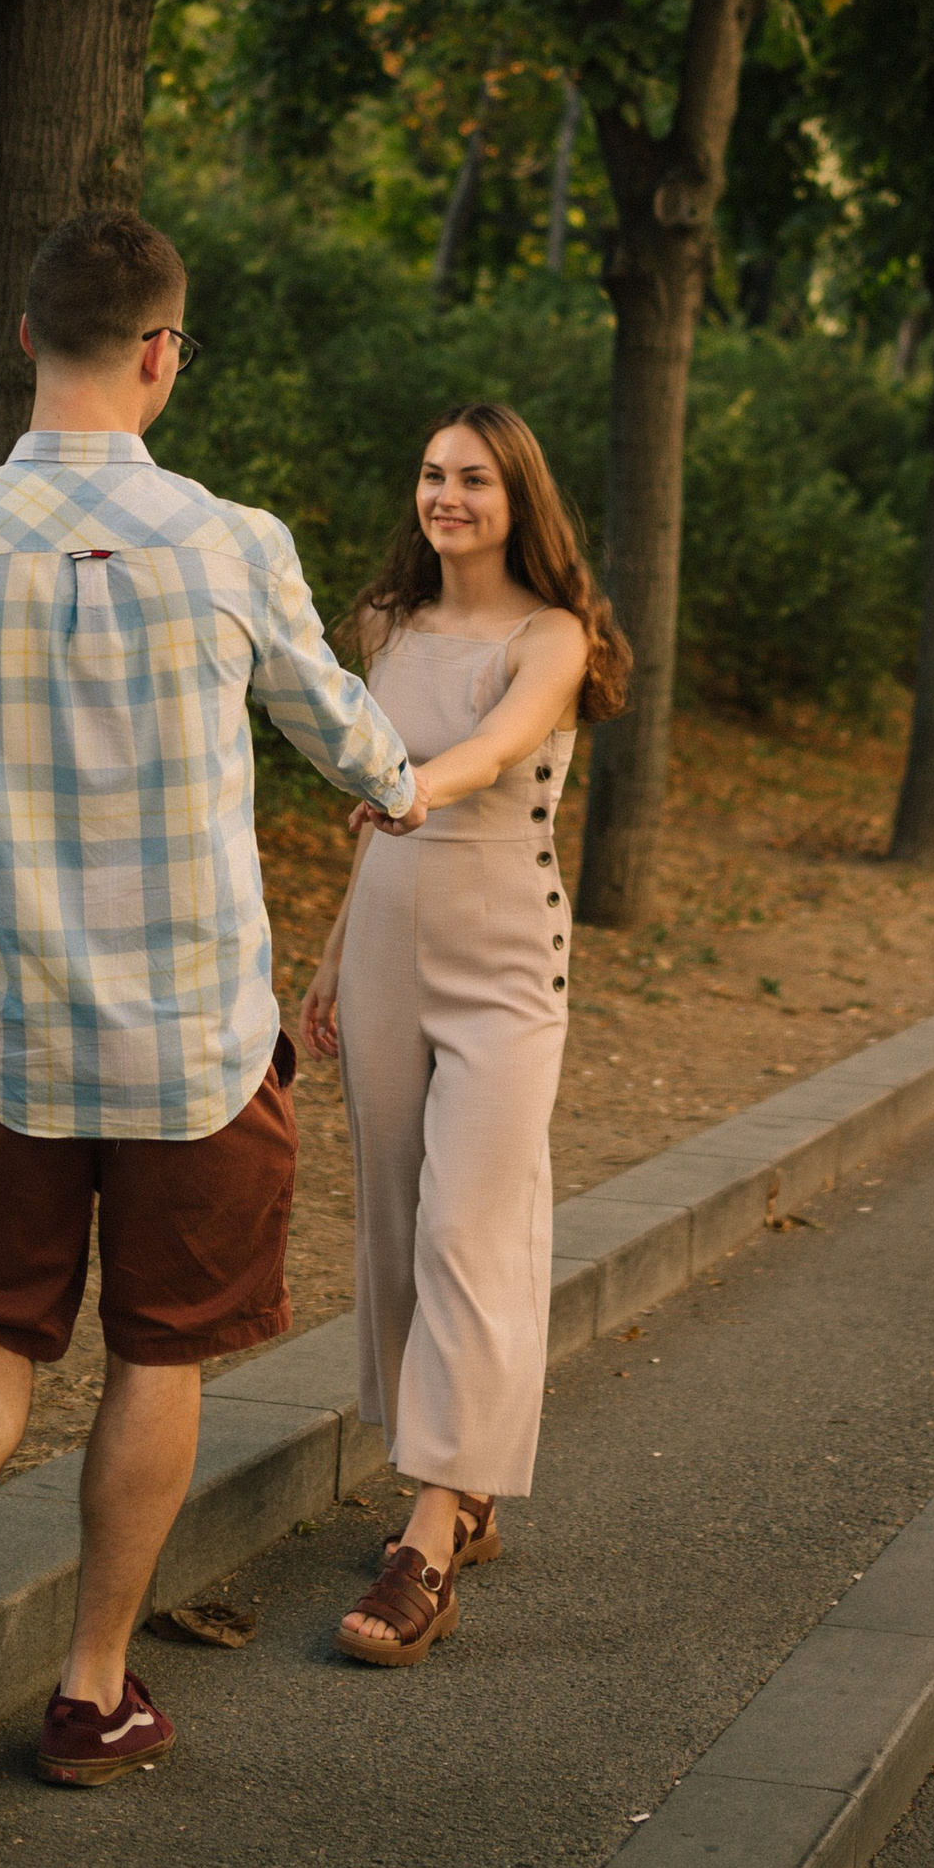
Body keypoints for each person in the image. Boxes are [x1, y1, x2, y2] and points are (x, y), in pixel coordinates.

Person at [0, 209, 421, 1792]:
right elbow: (347, 740)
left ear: (24, 342)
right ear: (162, 355)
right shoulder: (230, 543)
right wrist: (405, 783)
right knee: (157, 1352)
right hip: (196, 1045)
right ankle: (90, 1690)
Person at [301, 403, 630, 1666]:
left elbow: (489, 752)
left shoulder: (553, 634)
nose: (448, 495)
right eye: (433, 473)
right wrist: (330, 958)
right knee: (393, 1218)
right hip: (383, 946)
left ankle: (426, 1543)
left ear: (518, 496)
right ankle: (459, 1477)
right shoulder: (384, 623)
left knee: (467, 1225)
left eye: (475, 478)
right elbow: (379, 838)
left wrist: (406, 785)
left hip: (504, 959)